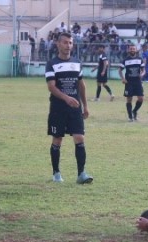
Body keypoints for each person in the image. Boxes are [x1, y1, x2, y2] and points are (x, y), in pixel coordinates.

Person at [45, 32, 93, 184]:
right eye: (65, 42)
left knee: (79, 137)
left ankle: (81, 174)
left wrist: (85, 106)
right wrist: (66, 98)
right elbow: (51, 87)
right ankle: (56, 173)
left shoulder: (77, 62)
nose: (68, 46)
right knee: (57, 139)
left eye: (70, 43)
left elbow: (81, 84)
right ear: (58, 44)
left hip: (75, 108)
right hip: (58, 108)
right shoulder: (51, 64)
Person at [118, 44, 144, 122]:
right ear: (129, 50)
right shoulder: (125, 60)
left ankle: (134, 111)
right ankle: (130, 116)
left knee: (141, 98)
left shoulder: (140, 59)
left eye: (133, 49)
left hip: (137, 81)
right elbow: (120, 70)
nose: (132, 50)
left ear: (136, 50)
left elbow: (143, 70)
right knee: (129, 99)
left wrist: (142, 74)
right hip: (129, 82)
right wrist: (123, 79)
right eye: (131, 49)